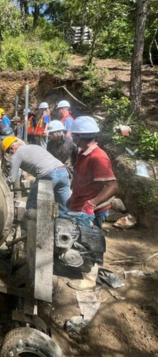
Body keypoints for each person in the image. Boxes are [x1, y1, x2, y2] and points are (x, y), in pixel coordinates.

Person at [62, 116, 118, 290]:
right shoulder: (83, 153)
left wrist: (91, 204)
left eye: (74, 136)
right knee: (79, 240)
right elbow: (82, 178)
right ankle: (79, 266)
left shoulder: (98, 157)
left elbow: (112, 185)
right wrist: (74, 194)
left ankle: (90, 279)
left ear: (79, 137)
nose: (73, 139)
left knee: (91, 243)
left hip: (91, 210)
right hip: (79, 205)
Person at [5, 139, 71, 212]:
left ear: (12, 148)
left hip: (48, 175)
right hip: (64, 172)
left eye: (9, 152)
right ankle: (68, 221)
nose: (10, 153)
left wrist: (3, 185)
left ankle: (31, 222)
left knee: (32, 204)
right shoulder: (34, 146)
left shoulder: (16, 155)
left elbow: (12, 179)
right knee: (65, 206)